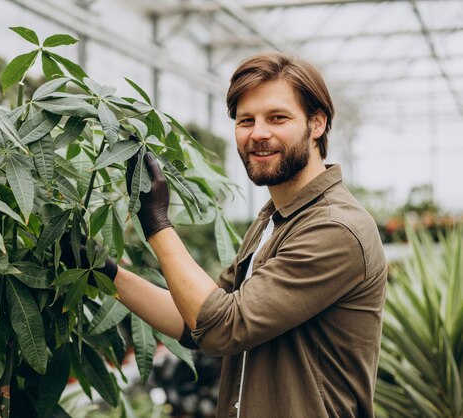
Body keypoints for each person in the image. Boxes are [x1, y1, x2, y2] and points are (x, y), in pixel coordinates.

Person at [71, 52, 387, 418]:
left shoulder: (334, 228)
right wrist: (104, 271)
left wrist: (156, 223)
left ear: (317, 124)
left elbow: (221, 327)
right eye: (245, 120)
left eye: (278, 118)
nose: (258, 133)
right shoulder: (275, 217)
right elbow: (193, 321)